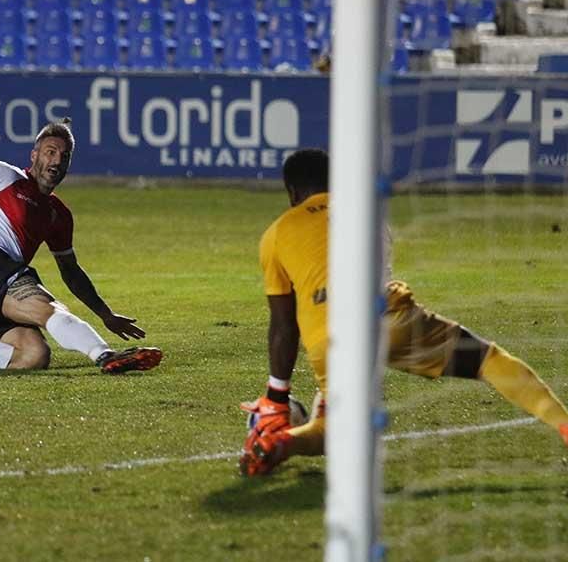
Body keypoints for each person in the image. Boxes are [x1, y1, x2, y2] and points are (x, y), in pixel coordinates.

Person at [239, 148, 568, 476]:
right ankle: (563, 425)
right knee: (489, 361)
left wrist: (276, 398)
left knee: (337, 429)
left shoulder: (276, 233)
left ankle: (278, 441)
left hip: (330, 341)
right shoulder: (367, 214)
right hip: (388, 319)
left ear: (292, 192)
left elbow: (283, 325)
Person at [0, 120, 162, 374]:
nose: (56, 161)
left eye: (63, 156)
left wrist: (105, 314)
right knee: (47, 308)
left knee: (34, 355)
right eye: (50, 152)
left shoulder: (58, 214)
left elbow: (70, 270)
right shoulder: (5, 177)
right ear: (34, 155)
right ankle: (104, 355)